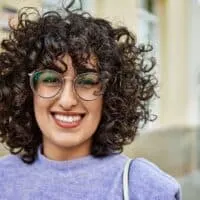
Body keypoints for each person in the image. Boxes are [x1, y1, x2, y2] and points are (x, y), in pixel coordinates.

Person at [0, 1, 181, 199]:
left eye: (86, 82)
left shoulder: (144, 187)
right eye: (51, 79)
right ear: (25, 92)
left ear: (111, 94)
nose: (67, 101)